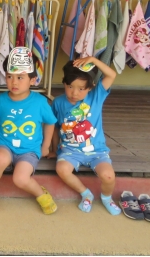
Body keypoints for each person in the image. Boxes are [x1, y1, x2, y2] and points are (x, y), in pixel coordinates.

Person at [0, 47, 58, 214]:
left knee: (21, 178)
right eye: (9, 76)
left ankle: (41, 194)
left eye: (20, 77)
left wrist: (46, 146)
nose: (14, 82)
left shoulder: (40, 102)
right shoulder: (0, 100)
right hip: (4, 144)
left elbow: (50, 122)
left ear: (32, 80)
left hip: (29, 150)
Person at [49, 57, 121, 216]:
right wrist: (54, 150)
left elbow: (111, 75)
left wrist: (94, 60)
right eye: (70, 86)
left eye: (81, 88)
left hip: (97, 151)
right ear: (64, 83)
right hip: (70, 151)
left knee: (108, 176)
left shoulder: (96, 96)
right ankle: (86, 194)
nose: (74, 93)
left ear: (90, 87)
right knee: (62, 169)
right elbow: (55, 128)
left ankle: (107, 198)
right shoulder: (58, 102)